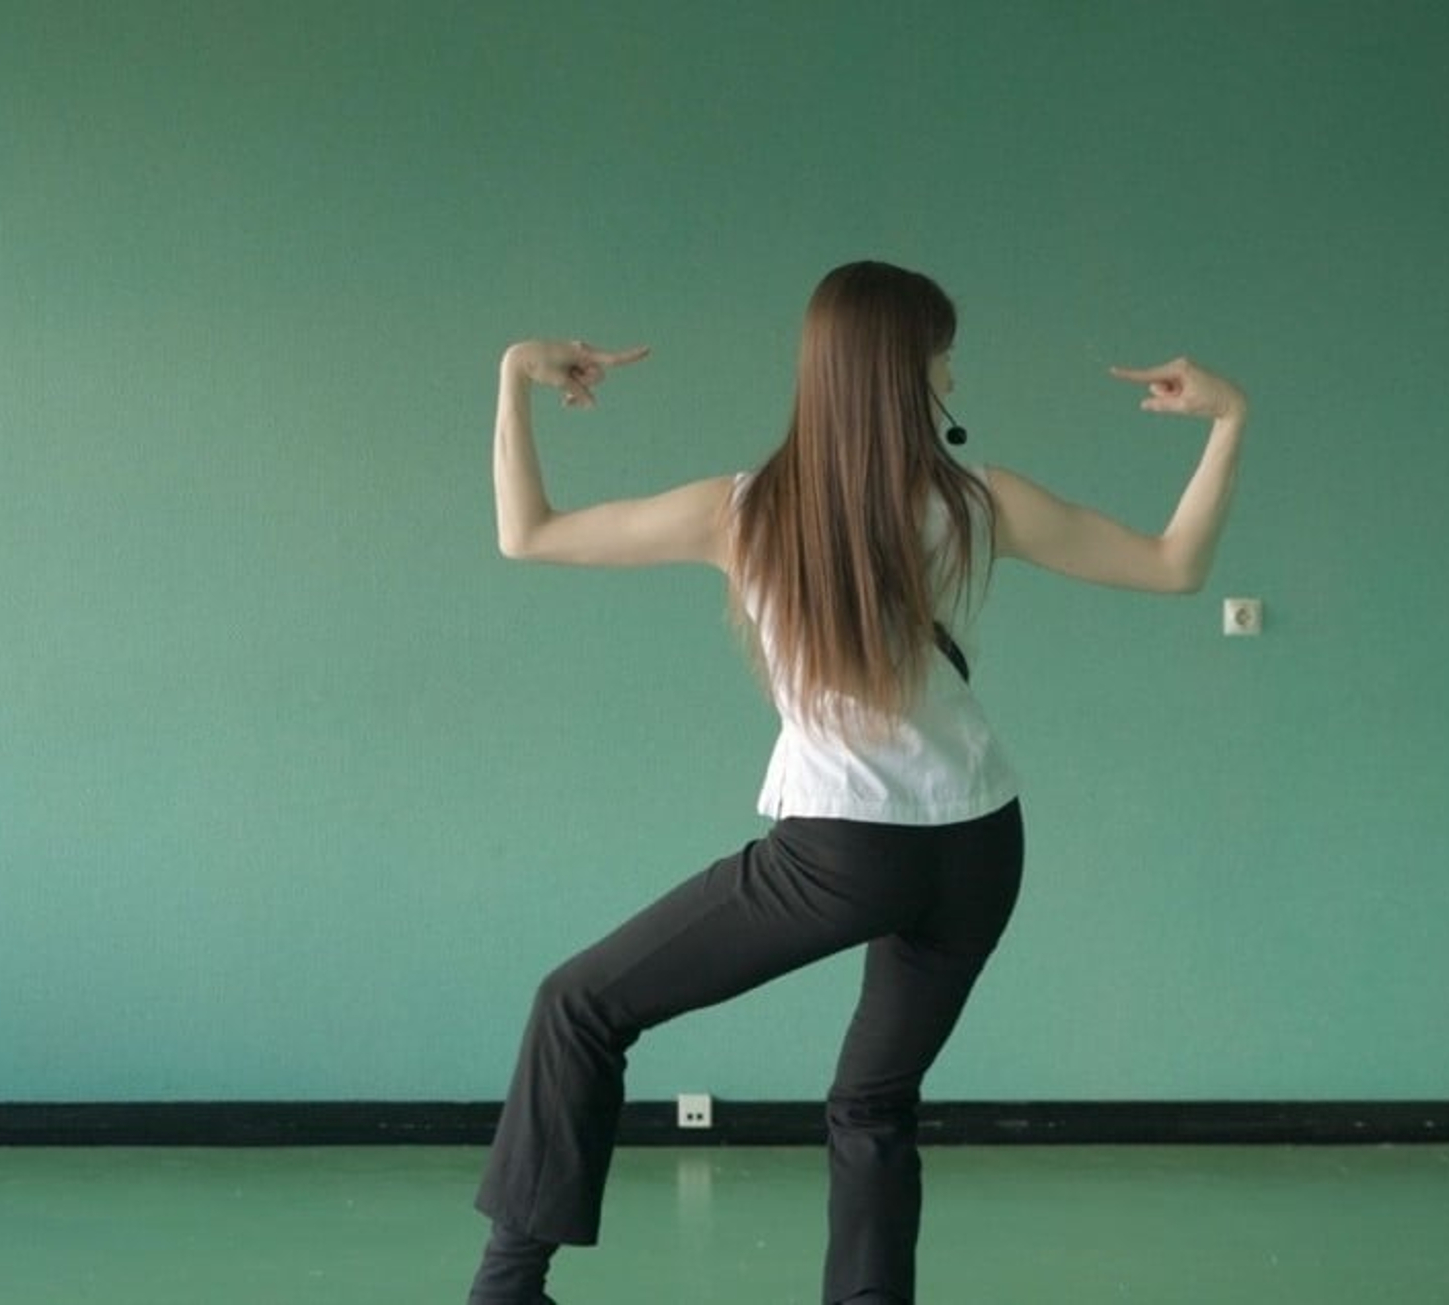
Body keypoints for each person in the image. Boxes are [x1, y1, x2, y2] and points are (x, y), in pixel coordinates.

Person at [465, 260, 1247, 1304]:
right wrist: (1227, 420)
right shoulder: (979, 502)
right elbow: (1173, 565)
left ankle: (506, 1291)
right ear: (905, 372)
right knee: (871, 1107)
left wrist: (515, 379)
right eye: (943, 357)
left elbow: (529, 534)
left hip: (841, 853)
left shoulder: (738, 513)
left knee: (577, 1005)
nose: (953, 380)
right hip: (980, 848)